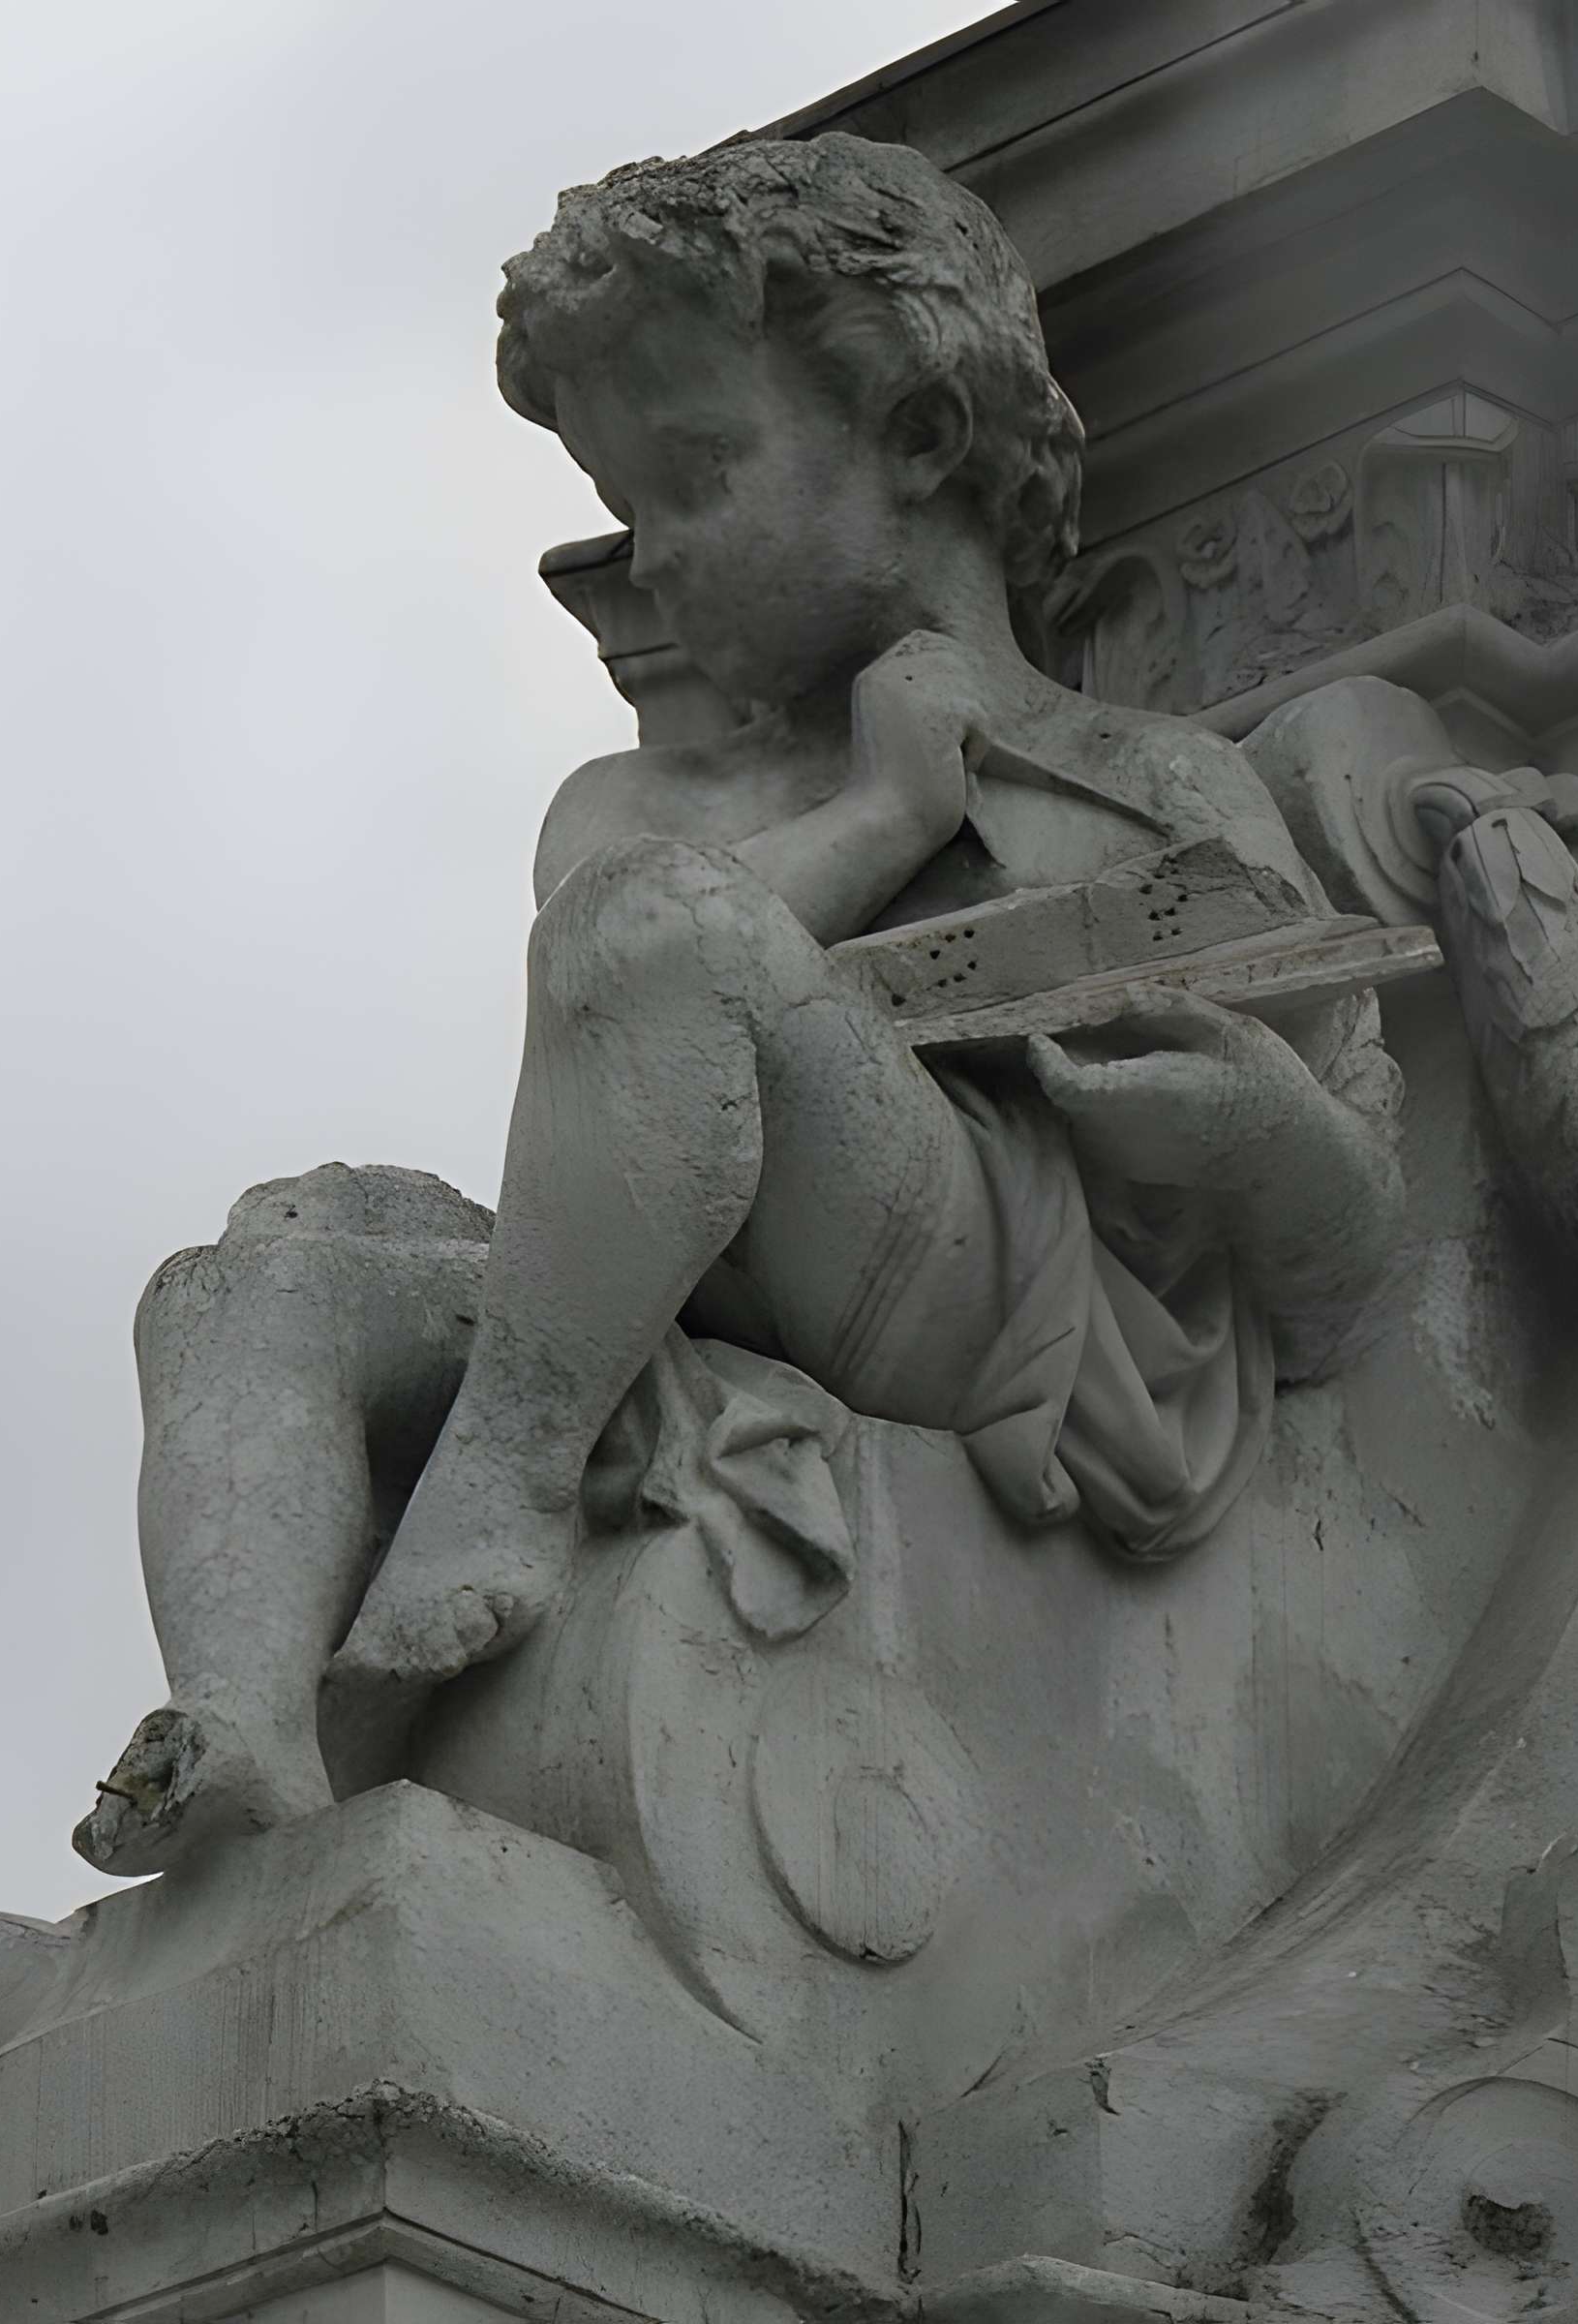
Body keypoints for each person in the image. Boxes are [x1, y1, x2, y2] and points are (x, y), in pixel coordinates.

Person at [76, 135, 1402, 1879]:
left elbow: (1352, 1257)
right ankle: (249, 1737)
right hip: (713, 1288)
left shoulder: (1152, 781)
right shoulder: (647, 814)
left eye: (694, 478)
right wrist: (886, 822)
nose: (659, 559)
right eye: (631, 507)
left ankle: (504, 1490)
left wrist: (1247, 1126)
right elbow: (629, 1037)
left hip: (1041, 1328)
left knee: (658, 937)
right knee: (257, 1279)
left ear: (917, 443)